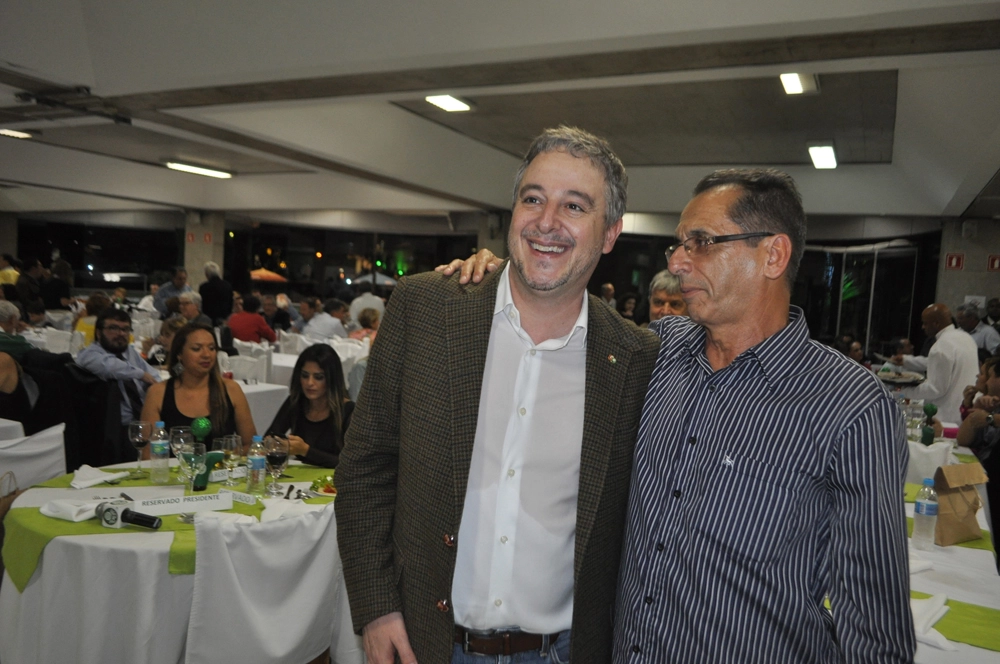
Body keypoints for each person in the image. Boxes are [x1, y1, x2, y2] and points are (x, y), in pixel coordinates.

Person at [336, 126, 660, 663]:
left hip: (560, 652)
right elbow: (366, 466)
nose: (547, 222)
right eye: (533, 198)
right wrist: (376, 608)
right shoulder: (425, 309)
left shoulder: (635, 359)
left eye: (575, 206)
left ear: (610, 234)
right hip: (424, 643)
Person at [610, 169, 914, 661]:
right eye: (678, 244)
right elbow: (560, 328)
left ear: (773, 255)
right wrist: (501, 282)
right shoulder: (654, 355)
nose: (678, 262)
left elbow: (873, 618)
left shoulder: (849, 406)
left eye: (701, 242)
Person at [140, 323, 256, 446]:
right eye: (197, 349)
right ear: (179, 354)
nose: (206, 355)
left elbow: (251, 446)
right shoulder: (158, 393)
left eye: (211, 348)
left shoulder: (231, 389)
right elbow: (149, 454)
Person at [266, 344, 354, 468]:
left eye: (318, 377)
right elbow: (269, 438)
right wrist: (274, 443)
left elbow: (350, 463)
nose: (309, 383)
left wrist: (305, 451)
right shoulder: (296, 402)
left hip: (331, 483)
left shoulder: (348, 411)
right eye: (305, 375)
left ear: (331, 379)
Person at [76, 309, 161, 436]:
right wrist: (141, 374)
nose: (120, 334)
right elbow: (110, 367)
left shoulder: (129, 352)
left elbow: (153, 375)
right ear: (99, 333)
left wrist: (157, 387)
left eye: (125, 329)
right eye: (113, 328)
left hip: (145, 420)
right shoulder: (89, 355)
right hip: (115, 429)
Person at [896, 303, 980, 424]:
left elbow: (935, 389)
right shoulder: (966, 337)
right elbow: (936, 363)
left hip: (946, 417)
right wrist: (906, 360)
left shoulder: (941, 346)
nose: (922, 327)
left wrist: (903, 391)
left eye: (925, 323)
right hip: (967, 410)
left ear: (936, 323)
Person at [956, 356, 1000, 571]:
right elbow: (963, 440)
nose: (980, 378)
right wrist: (975, 411)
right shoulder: (992, 404)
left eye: (988, 375)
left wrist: (991, 419)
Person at [198, 261, 233, 325]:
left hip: (208, 318)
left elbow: (202, 304)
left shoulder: (204, 287)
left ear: (206, 274)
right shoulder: (227, 285)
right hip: (224, 318)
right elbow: (230, 303)